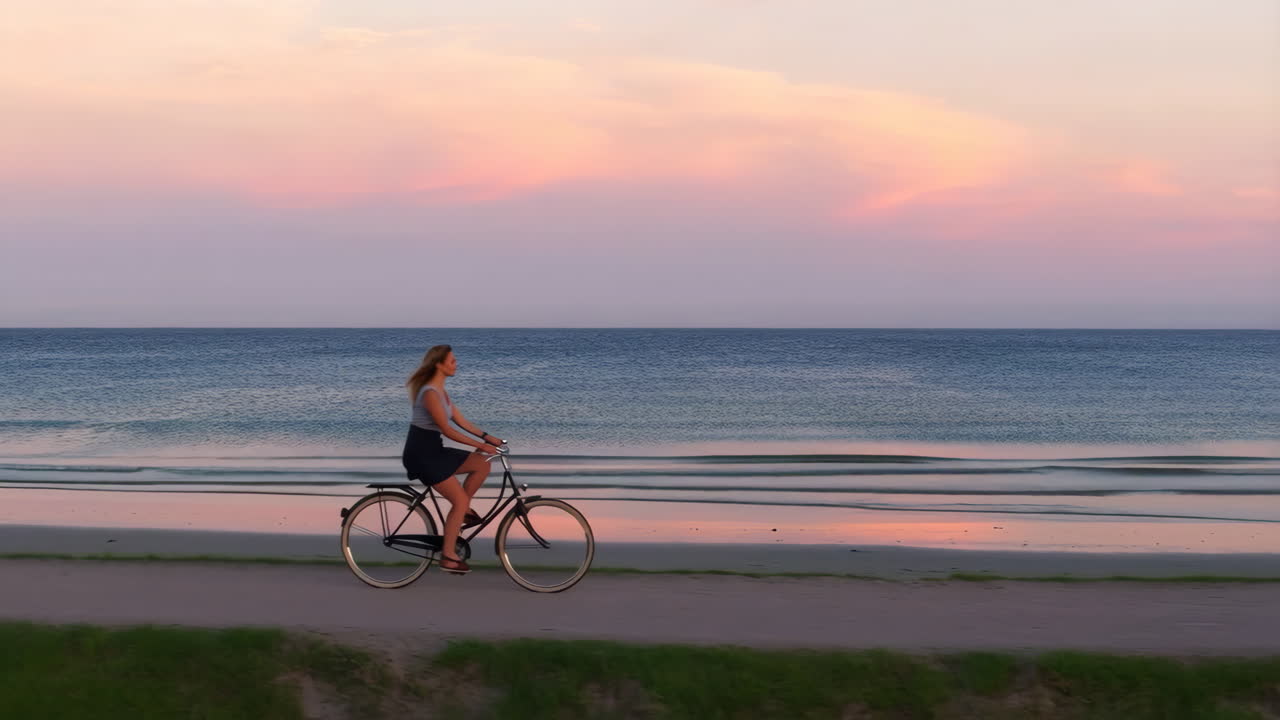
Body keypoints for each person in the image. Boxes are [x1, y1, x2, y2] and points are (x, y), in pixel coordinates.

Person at [403, 345, 502, 575]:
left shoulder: (441, 393)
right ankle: (448, 556)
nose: (456, 364)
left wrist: (489, 437)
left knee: (482, 464)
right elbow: (447, 430)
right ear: (439, 364)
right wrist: (481, 445)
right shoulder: (429, 393)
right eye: (452, 361)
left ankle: (463, 513)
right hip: (422, 456)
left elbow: (461, 421)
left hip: (435, 451)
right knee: (458, 501)